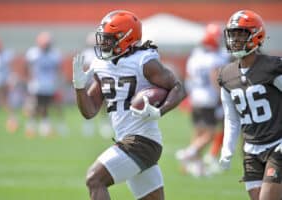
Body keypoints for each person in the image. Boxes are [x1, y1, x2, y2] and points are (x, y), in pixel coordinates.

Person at [72, 10, 185, 200]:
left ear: (126, 38)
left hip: (142, 141)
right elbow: (89, 111)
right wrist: (79, 86)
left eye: (109, 39)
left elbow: (178, 88)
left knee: (95, 179)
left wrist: (159, 111)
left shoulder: (143, 61)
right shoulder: (100, 64)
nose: (103, 43)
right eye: (103, 38)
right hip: (126, 140)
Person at [218, 10, 282, 200]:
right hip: (251, 148)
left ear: (256, 35)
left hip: (277, 144)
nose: (235, 39)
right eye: (233, 34)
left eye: (241, 33)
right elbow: (231, 117)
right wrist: (226, 149)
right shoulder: (226, 75)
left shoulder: (272, 66)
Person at [175, 23, 230, 177]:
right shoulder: (216, 57)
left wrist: (189, 95)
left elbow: (189, 77)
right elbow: (214, 78)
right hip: (208, 98)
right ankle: (189, 153)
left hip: (195, 97)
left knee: (198, 132)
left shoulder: (195, 56)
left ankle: (196, 167)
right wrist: (221, 97)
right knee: (210, 134)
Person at [24, 31, 65, 137]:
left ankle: (44, 125)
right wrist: (28, 79)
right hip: (37, 83)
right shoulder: (33, 53)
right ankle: (31, 125)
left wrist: (58, 82)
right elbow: (26, 67)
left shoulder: (54, 54)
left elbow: (58, 69)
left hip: (49, 84)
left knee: (45, 105)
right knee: (34, 105)